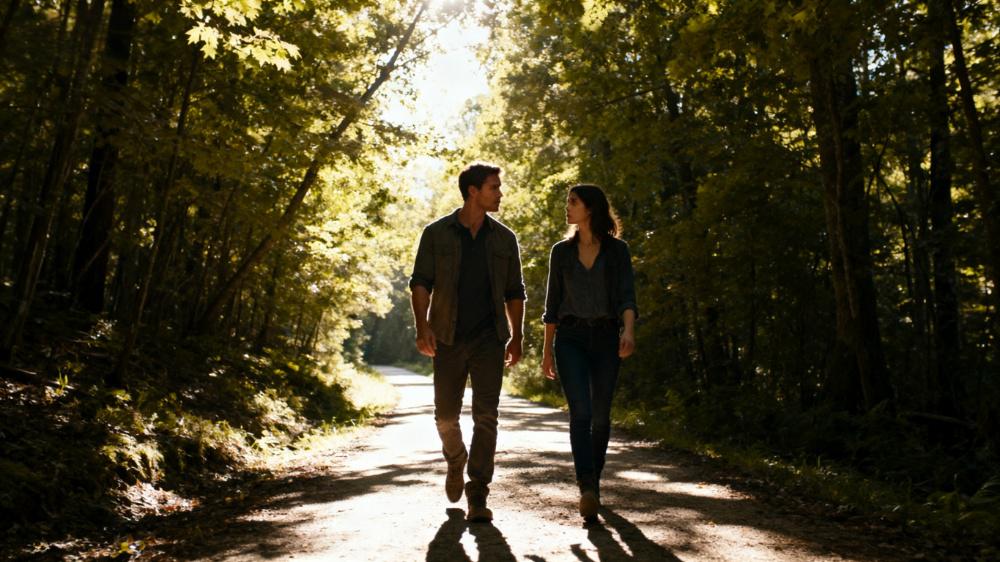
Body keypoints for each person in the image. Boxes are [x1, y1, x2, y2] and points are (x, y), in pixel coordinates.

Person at [409, 163, 526, 523]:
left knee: (486, 416)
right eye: (494, 187)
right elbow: (420, 283)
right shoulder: (436, 233)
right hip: (446, 336)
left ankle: (478, 492)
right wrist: (422, 325)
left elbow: (514, 292)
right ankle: (455, 458)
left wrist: (517, 334)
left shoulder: (504, 239)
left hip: (490, 338)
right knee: (445, 417)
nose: (500, 193)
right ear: (473, 191)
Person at [541, 184, 637, 523]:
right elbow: (551, 307)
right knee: (580, 414)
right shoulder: (560, 252)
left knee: (600, 417)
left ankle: (593, 480)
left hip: (607, 337)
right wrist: (547, 353)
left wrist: (628, 330)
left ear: (591, 208)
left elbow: (627, 297)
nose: (567, 207)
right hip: (570, 339)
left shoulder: (617, 252)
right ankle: (587, 487)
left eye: (573, 202)